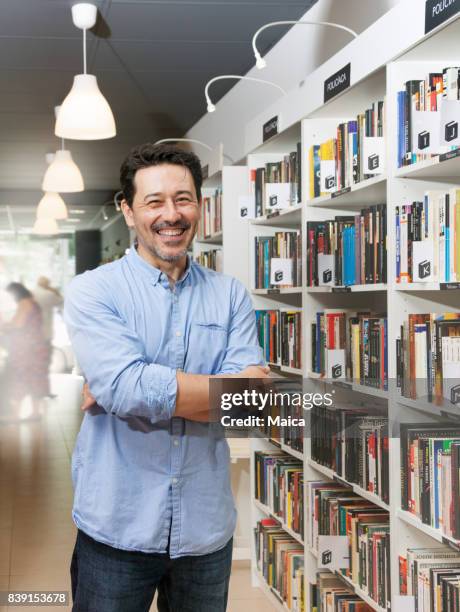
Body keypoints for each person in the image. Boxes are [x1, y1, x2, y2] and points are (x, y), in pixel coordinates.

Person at [64, 143, 269, 612]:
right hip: (117, 528)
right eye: (154, 201)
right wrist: (124, 385)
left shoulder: (230, 295)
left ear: (199, 205)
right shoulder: (94, 291)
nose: (170, 214)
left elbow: (251, 402)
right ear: (128, 211)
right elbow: (123, 386)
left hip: (204, 532)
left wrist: (130, 386)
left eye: (183, 198)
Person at [0, 282, 49, 420]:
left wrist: (3, 325)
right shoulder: (33, 302)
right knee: (35, 378)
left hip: (27, 349)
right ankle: (35, 412)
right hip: (37, 346)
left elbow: (18, 324)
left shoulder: (24, 303)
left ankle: (14, 415)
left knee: (20, 377)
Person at [33, 276, 63, 344]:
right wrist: (56, 292)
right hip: (46, 327)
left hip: (33, 328)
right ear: (47, 284)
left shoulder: (31, 292)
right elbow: (61, 301)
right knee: (46, 347)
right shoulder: (49, 294)